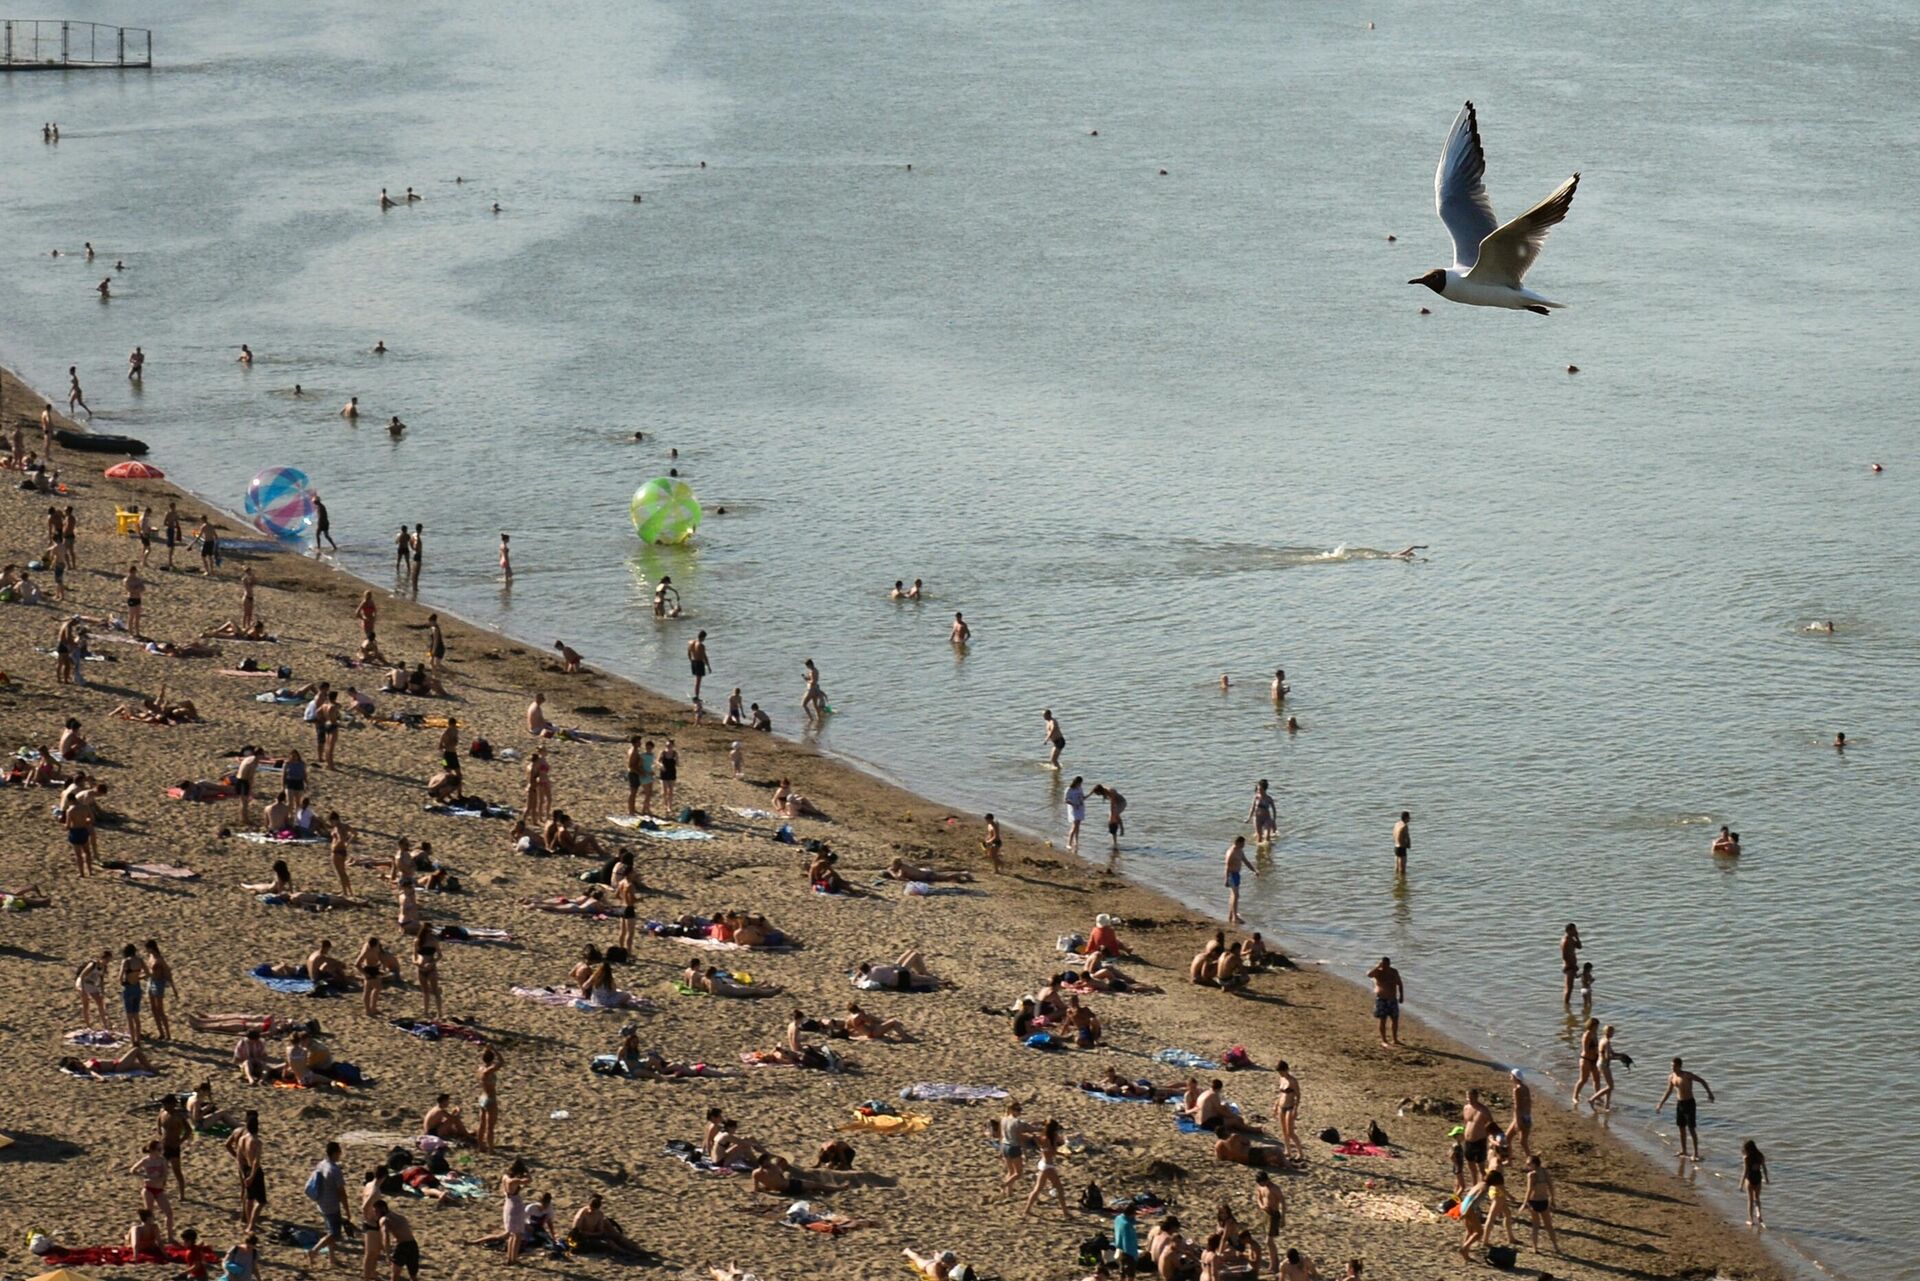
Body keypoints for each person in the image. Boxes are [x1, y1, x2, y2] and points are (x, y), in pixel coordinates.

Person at [1656, 1057, 1715, 1160]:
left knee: (1691, 1128)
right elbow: (1668, 1091)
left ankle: (1696, 1153)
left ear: (1679, 1066)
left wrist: (1709, 1093)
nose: (1672, 1068)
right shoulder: (1671, 1077)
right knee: (1681, 1128)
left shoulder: (1687, 1075)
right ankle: (1684, 1150)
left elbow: (1702, 1081)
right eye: (1671, 1066)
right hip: (1680, 1104)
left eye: (1674, 1066)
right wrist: (1660, 1104)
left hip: (1689, 1103)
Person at [307, 1140, 349, 1264]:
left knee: (329, 1230)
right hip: (331, 1206)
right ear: (335, 1153)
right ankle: (314, 1251)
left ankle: (332, 1257)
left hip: (321, 1203)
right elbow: (342, 1193)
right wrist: (347, 1210)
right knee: (335, 1234)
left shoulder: (322, 1164)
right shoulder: (335, 1170)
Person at [226, 1110, 267, 1234]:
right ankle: (251, 1225)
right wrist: (252, 1175)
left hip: (245, 1169)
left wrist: (244, 1173)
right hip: (254, 1171)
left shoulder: (242, 1138)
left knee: (249, 1198)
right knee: (261, 1201)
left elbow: (239, 1156)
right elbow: (256, 1161)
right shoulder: (256, 1141)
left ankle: (248, 1222)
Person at [1522, 1153, 1560, 1251]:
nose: (1527, 1166)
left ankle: (1535, 1248)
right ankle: (1555, 1246)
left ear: (1534, 1164)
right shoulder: (1544, 1171)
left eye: (1529, 1164)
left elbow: (1529, 1190)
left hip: (1534, 1201)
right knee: (1548, 1225)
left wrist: (1524, 1203)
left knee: (1536, 1225)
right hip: (1544, 1200)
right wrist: (1553, 1199)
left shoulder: (1531, 1175)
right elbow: (1550, 1185)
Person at [376, 1201, 420, 1280]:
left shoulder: (384, 1219)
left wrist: (387, 1253)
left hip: (402, 1246)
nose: (376, 1214)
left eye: (376, 1211)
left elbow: (385, 1236)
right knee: (413, 1275)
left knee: (395, 1274)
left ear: (383, 1209)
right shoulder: (400, 1216)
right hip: (413, 1244)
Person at [1741, 1139, 1769, 1226]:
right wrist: (1766, 1178)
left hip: (1750, 1179)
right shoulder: (1760, 1156)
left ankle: (1750, 1219)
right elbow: (1764, 1168)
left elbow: (1745, 1172)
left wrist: (1741, 1184)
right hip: (1758, 1178)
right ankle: (1759, 1215)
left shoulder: (1747, 1158)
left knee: (1750, 1199)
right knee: (1757, 1198)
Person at [1506, 1068, 1534, 1157]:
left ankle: (1509, 1159)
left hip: (1519, 1117)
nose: (1510, 1077)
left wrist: (1517, 1121)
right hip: (1527, 1117)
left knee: (1507, 1138)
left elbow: (1517, 1107)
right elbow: (1529, 1103)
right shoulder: (1526, 1088)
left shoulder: (1516, 1090)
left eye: (1511, 1076)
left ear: (1515, 1077)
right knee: (1523, 1141)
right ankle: (1529, 1157)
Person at [1223, 835, 1247, 925]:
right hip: (1231, 875)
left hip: (1237, 874)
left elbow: (1245, 861)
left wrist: (1254, 870)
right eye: (1242, 843)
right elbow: (1227, 866)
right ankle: (1235, 917)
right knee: (1236, 895)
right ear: (1238, 843)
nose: (1244, 845)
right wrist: (1226, 879)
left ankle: (1231, 915)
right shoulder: (1231, 852)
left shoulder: (1240, 851)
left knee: (1233, 895)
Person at [1559, 923, 1583, 1005]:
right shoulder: (1565, 941)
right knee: (1568, 988)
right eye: (1574, 930)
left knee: (1570, 987)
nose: (1576, 931)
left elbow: (1579, 947)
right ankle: (1566, 1004)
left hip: (1572, 966)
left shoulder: (1571, 939)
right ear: (1569, 930)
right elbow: (1565, 956)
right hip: (1569, 966)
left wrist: (1577, 937)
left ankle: (1567, 1004)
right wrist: (1572, 965)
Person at [1247, 779, 1277, 845]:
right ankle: (1259, 851)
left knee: (1267, 836)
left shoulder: (1269, 798)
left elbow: (1274, 809)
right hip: (1257, 818)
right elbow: (1252, 808)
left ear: (1264, 789)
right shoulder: (1256, 797)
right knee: (1259, 836)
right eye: (1257, 789)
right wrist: (1249, 818)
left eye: (1260, 789)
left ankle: (1268, 850)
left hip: (1266, 818)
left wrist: (1274, 820)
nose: (1258, 791)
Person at [1064, 776, 1086, 853]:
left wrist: (1083, 798)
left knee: (1078, 825)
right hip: (1073, 809)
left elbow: (1082, 797)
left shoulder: (1080, 788)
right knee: (1074, 826)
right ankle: (1068, 843)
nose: (1080, 784)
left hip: (1080, 808)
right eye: (1079, 783)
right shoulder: (1069, 789)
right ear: (1076, 782)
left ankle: (1076, 841)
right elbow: (1066, 800)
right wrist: (1073, 804)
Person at [687, 630, 711, 700]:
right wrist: (708, 666)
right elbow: (704, 656)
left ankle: (696, 694)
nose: (704, 640)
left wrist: (690, 660)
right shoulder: (701, 645)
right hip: (699, 663)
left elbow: (688, 653)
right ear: (703, 637)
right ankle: (696, 696)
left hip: (693, 661)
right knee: (698, 681)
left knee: (697, 680)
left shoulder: (691, 642)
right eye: (704, 638)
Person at [1392, 810, 1410, 876]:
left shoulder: (1397, 824)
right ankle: (1402, 882)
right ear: (1406, 818)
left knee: (1397, 867)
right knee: (1402, 869)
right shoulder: (1404, 826)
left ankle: (1397, 881)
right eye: (1409, 817)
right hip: (1402, 847)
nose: (1410, 819)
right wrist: (1408, 845)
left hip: (1396, 846)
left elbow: (1393, 834)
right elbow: (1407, 837)